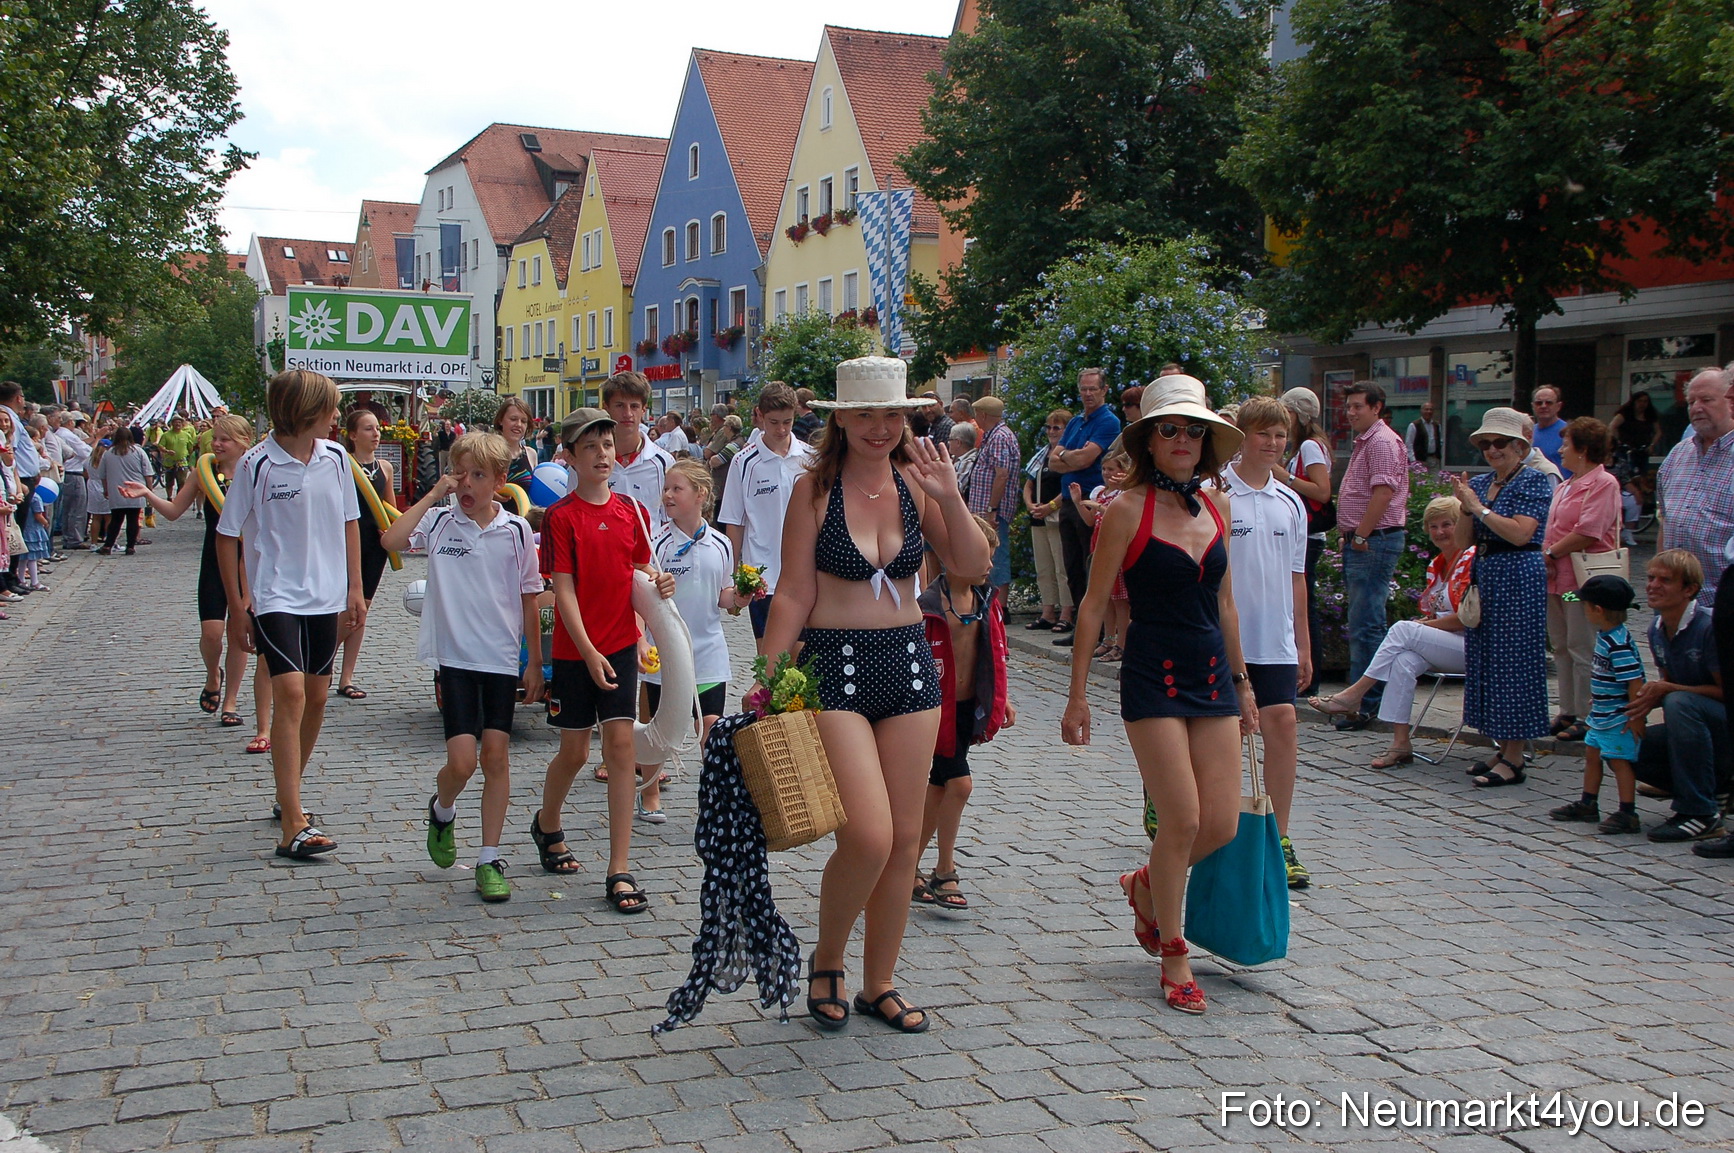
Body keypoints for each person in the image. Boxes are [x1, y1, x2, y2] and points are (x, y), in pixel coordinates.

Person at [762, 355, 990, 1035]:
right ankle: (828, 958)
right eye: (865, 413)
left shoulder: (916, 485)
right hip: (834, 666)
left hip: (910, 665)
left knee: (904, 841)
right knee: (868, 833)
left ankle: (879, 980)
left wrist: (949, 494)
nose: (880, 426)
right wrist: (769, 679)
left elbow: (971, 568)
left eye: (891, 413)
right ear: (840, 418)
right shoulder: (814, 490)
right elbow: (795, 591)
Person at [1063, 375, 1257, 1016]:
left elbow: (1226, 604)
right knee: (1182, 819)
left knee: (1222, 823)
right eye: (1169, 429)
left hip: (1211, 674)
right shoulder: (1127, 508)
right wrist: (1077, 695)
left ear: (1207, 441)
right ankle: (1174, 952)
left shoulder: (1219, 508)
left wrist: (1244, 680)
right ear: (1149, 439)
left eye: (1193, 429)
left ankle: (1147, 883)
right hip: (1153, 674)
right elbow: (1092, 606)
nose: (1182, 439)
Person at [381, 432, 543, 903]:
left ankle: (490, 857)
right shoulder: (439, 523)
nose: (468, 484)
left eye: (479, 475)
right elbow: (390, 539)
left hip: (498, 659)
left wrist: (533, 660)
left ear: (498, 481)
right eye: (462, 473)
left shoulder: (515, 531)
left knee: (496, 758)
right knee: (462, 762)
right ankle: (443, 809)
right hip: (454, 658)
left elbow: (530, 598)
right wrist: (433, 493)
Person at [217, 370, 364, 860]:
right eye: (331, 407)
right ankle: (294, 826)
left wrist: (355, 589)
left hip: (327, 596)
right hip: (276, 595)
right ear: (306, 412)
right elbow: (227, 534)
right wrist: (239, 606)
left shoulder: (337, 458)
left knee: (318, 697)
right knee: (292, 692)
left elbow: (350, 522)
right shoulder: (256, 464)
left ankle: (288, 794)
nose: (338, 416)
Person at [535, 407, 677, 912]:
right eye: (590, 447)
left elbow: (643, 572)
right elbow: (565, 592)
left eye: (608, 445)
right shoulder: (562, 517)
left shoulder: (630, 511)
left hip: (619, 644)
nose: (602, 454)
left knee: (620, 748)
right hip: (576, 651)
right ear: (570, 457)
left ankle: (620, 868)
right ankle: (547, 821)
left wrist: (660, 587)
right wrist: (588, 650)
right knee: (573, 753)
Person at [123, 415, 273, 745]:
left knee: (239, 633)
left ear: (244, 442)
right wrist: (148, 493)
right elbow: (175, 510)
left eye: (225, 440)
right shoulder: (203, 472)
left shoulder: (259, 473)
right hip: (215, 559)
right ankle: (212, 674)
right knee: (211, 633)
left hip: (248, 562)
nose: (217, 444)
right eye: (215, 438)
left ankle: (230, 701)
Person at [1308, 497, 1474, 767]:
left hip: (1473, 644)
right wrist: (1426, 622)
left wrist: (1424, 626)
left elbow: (1467, 618)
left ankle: (1354, 694)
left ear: (1461, 525)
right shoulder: (1439, 563)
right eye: (1433, 526)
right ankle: (1400, 744)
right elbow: (1438, 613)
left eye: (1448, 525)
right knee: (1403, 660)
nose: (1440, 532)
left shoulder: (1470, 559)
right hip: (1448, 643)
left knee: (1402, 630)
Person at [1222, 396, 1313, 889]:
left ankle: (1279, 835)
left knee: (1283, 726)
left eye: (1281, 436)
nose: (1273, 444)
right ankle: (1219, 826)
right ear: (1243, 436)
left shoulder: (1291, 501)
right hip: (1226, 637)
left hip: (1275, 639)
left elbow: (1298, 578)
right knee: (1225, 736)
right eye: (1264, 435)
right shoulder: (1220, 494)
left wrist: (1303, 642)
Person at [914, 514, 1015, 913]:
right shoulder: (928, 606)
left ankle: (908, 865)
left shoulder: (985, 600)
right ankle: (944, 868)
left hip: (964, 709)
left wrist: (1000, 698)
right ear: (955, 558)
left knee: (940, 787)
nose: (990, 565)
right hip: (934, 711)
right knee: (959, 785)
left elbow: (996, 652)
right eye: (983, 558)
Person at [1451, 407, 1552, 786]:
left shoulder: (1534, 482)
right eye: (1486, 444)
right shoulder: (1478, 484)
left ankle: (1515, 756)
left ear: (1519, 447)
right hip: (1487, 573)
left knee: (1514, 663)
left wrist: (1479, 508)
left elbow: (1521, 533)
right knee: (1488, 662)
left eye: (1500, 444)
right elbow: (1463, 543)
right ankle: (1502, 746)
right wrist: (1464, 508)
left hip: (1518, 576)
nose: (1491, 451)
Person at [645, 460, 743, 823]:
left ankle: (714, 798)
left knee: (713, 728)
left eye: (677, 489)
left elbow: (724, 596)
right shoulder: (656, 543)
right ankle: (650, 792)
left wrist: (742, 597)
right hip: (666, 650)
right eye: (666, 488)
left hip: (708, 649)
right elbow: (641, 596)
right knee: (660, 729)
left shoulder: (721, 543)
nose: (668, 495)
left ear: (701, 495)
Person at [1628, 550, 1728, 844]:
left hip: (1719, 723)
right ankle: (1713, 787)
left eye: (1665, 580)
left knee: (1680, 703)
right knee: (1625, 744)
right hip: (1694, 720)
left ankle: (1699, 811)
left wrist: (1669, 691)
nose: (1653, 586)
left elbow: (1724, 693)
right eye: (1650, 578)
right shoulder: (1657, 628)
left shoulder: (1710, 628)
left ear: (1689, 589)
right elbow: (1667, 682)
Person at [1541, 417, 1622, 742]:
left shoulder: (1604, 483)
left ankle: (1590, 714)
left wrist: (1550, 553)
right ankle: (1568, 709)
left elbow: (1589, 531)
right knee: (1560, 644)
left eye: (1566, 444)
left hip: (1581, 582)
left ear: (1584, 449)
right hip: (1556, 580)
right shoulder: (1565, 484)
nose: (1561, 450)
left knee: (1581, 645)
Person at [719, 383, 815, 655]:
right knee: (771, 661)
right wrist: (732, 579)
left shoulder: (811, 458)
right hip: (764, 577)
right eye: (774, 422)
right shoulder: (743, 462)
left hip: (806, 575)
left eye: (788, 422)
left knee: (803, 660)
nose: (782, 430)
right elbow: (734, 523)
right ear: (760, 415)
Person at [1548, 576, 1647, 833]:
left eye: (1586, 605)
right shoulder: (1606, 636)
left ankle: (1628, 811)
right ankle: (1588, 802)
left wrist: (1636, 716)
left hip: (1617, 717)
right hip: (1601, 714)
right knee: (1592, 756)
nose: (1583, 609)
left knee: (1619, 761)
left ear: (1598, 610)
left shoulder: (1619, 644)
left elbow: (1634, 681)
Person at [1336, 381, 1410, 725]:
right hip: (1365, 539)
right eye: (1348, 406)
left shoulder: (1381, 441)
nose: (1350, 413)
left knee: (1367, 624)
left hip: (1375, 539)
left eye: (1357, 407)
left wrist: (1362, 535)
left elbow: (1382, 494)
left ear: (1376, 407)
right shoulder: (1368, 440)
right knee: (1363, 621)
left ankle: (1364, 703)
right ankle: (1362, 700)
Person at [1048, 368, 1121, 646]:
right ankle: (1081, 626)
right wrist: (1068, 456)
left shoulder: (1108, 421)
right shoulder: (1077, 421)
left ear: (1104, 390)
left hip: (1092, 499)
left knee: (1092, 567)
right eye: (1084, 389)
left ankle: (1099, 631)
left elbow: (1085, 460)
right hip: (1068, 499)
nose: (1088, 394)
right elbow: (1053, 461)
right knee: (1073, 568)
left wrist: (1066, 456)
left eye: (1093, 389)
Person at [1656, 366, 1734, 607]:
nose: (1697, 408)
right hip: (1675, 602)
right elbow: (1666, 521)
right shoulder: (1678, 454)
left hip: (1723, 603)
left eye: (1707, 400)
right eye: (1691, 402)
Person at [335, 409, 396, 701]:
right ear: (353, 434)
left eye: (377, 428)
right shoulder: (342, 464)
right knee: (346, 609)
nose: (376, 434)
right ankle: (322, 664)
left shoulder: (385, 468)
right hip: (346, 543)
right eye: (368, 429)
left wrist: (393, 536)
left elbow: (389, 508)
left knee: (363, 610)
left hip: (374, 545)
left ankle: (347, 676)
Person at [1276, 388, 1333, 696]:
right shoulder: (1308, 445)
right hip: (1305, 533)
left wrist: (1283, 477)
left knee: (1303, 603)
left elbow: (1322, 491)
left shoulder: (1310, 447)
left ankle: (1308, 680)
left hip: (1309, 534)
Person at [1021, 408, 1074, 633]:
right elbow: (1029, 483)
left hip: (1056, 515)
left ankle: (1066, 613)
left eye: (1057, 428)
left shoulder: (1068, 454)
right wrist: (1030, 504)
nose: (1052, 432)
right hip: (1039, 516)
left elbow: (1070, 486)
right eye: (1049, 427)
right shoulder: (1043, 453)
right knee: (1044, 567)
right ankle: (1047, 612)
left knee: (1061, 566)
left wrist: (1050, 506)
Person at [600, 372, 674, 531]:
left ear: (643, 410)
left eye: (634, 406)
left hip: (648, 554)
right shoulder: (589, 462)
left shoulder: (663, 462)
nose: (627, 414)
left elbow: (670, 522)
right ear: (606, 407)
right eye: (619, 405)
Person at [965, 395, 1020, 605]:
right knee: (987, 552)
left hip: (992, 510)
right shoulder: (993, 435)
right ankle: (990, 600)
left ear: (984, 415)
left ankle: (999, 604)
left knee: (996, 554)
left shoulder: (999, 437)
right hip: (984, 508)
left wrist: (992, 508)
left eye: (977, 414)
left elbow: (1002, 474)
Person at [1, 381, 42, 595]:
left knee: (16, 532)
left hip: (22, 479)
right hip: (17, 483)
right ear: (18, 398)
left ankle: (13, 575)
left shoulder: (13, 417)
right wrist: (18, 485)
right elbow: (11, 454)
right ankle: (10, 576)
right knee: (13, 533)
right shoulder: (9, 418)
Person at [94, 426, 151, 554]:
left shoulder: (109, 453)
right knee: (133, 519)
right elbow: (147, 472)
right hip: (136, 489)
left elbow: (102, 475)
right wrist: (149, 490)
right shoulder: (139, 452)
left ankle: (108, 545)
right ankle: (130, 546)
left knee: (116, 519)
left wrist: (106, 489)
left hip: (116, 490)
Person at [55, 412, 90, 549]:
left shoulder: (59, 434)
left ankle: (69, 537)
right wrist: (97, 439)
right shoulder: (68, 435)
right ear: (70, 422)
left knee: (68, 509)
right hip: (74, 473)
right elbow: (86, 452)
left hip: (68, 474)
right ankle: (74, 538)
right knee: (76, 508)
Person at [1608, 390, 1660, 478]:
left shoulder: (1650, 416)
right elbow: (1612, 426)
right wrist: (1616, 441)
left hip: (1642, 451)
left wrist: (1652, 445)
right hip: (1626, 451)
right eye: (1639, 401)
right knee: (1626, 474)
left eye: (1645, 401)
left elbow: (1658, 431)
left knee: (1642, 475)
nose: (1642, 404)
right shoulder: (1625, 415)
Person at [492, 396, 538, 487]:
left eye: (524, 421)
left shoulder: (531, 454)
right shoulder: (489, 452)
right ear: (500, 420)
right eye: (513, 419)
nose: (518, 425)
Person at [156, 414, 198, 500]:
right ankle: (169, 497)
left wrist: (190, 458)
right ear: (172, 424)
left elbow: (190, 448)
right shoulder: (166, 435)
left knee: (182, 482)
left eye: (179, 422)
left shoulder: (186, 435)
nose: (178, 424)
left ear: (182, 424)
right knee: (169, 482)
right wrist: (167, 451)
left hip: (182, 463)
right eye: (175, 422)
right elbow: (160, 446)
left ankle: (179, 498)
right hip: (169, 463)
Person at [1529, 385, 1567, 475]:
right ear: (1532, 406)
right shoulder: (1528, 433)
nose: (1543, 406)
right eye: (1539, 403)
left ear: (1559, 406)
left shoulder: (1568, 432)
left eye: (1549, 403)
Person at [1405, 401, 1442, 468]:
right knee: (1422, 478)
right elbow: (1409, 444)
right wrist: (1413, 461)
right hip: (1420, 461)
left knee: (1436, 478)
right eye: (1426, 409)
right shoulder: (1414, 425)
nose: (1429, 411)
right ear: (1421, 411)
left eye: (1431, 409)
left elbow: (1440, 441)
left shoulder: (1437, 425)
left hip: (1434, 459)